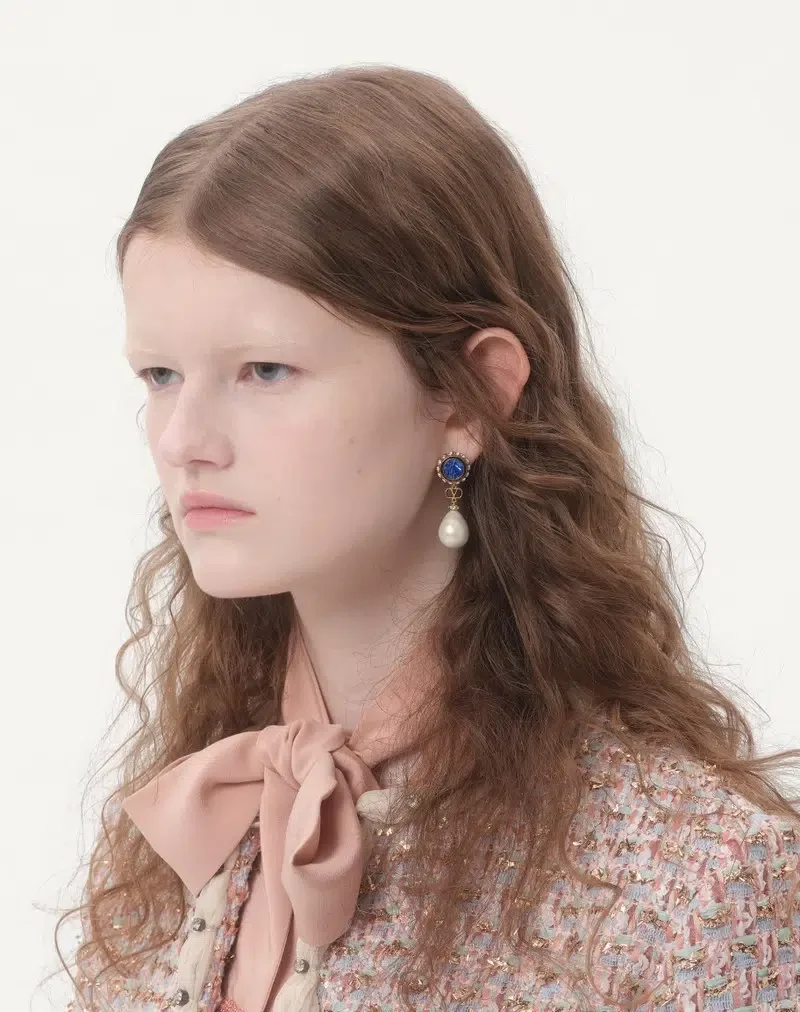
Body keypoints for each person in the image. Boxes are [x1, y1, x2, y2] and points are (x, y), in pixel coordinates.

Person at [53, 64, 800, 1012]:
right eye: (160, 375)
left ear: (469, 396)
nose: (182, 441)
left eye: (265, 369)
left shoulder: (696, 884)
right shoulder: (184, 828)